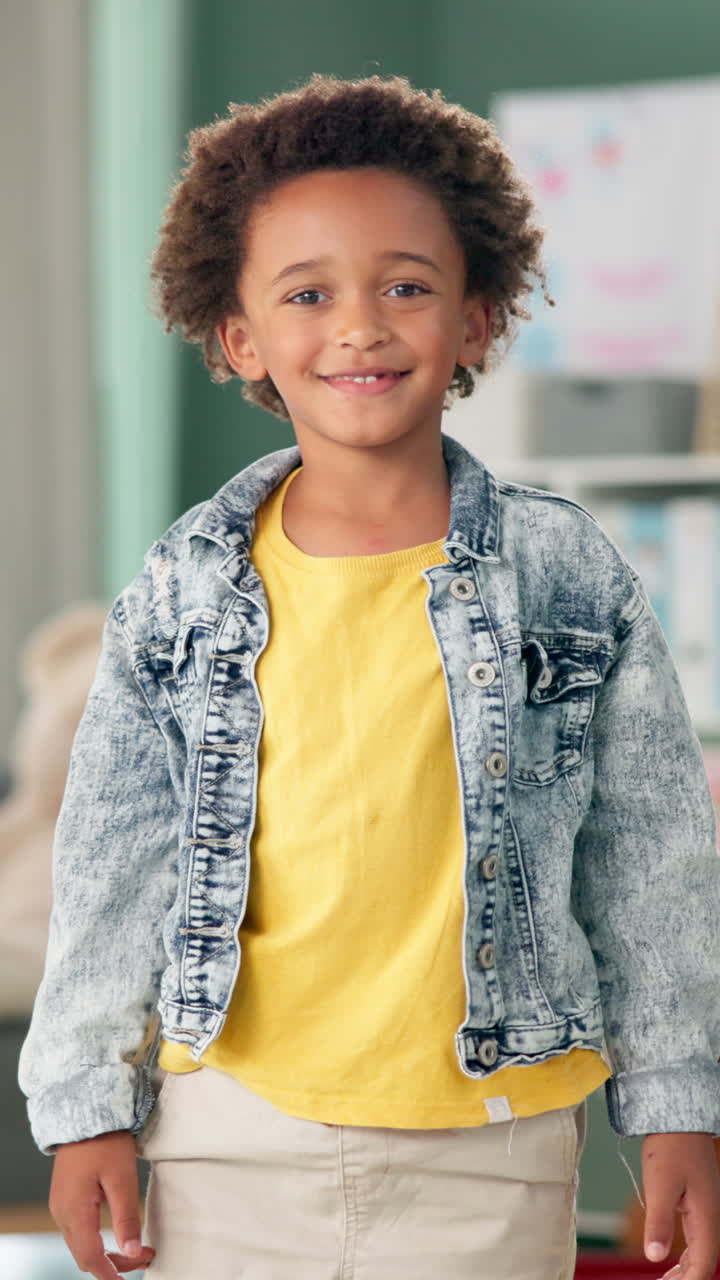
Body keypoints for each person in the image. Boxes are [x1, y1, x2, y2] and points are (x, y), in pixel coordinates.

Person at [17, 72, 720, 1280]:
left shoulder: (565, 571)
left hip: (490, 1143)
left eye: (406, 285)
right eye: (308, 293)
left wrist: (680, 1103)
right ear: (239, 336)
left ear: (480, 319)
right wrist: (84, 1097)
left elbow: (652, 857)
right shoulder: (185, 584)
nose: (360, 324)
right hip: (224, 1133)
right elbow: (113, 853)